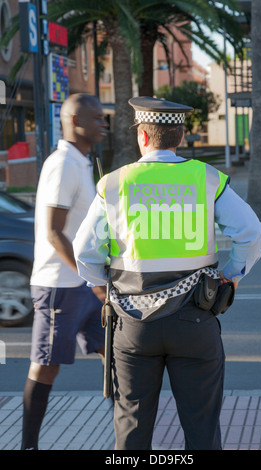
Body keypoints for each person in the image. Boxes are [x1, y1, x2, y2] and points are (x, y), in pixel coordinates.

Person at [73, 96, 261, 450]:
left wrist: (103, 286)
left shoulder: (114, 185)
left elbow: (84, 252)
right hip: (195, 320)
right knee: (202, 426)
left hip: (131, 326)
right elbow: (251, 232)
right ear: (179, 137)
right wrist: (231, 274)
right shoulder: (206, 179)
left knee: (131, 427)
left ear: (142, 136)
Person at [21, 93, 109, 450]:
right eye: (98, 118)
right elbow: (53, 232)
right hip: (60, 285)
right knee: (45, 367)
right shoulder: (63, 164)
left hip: (84, 285)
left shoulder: (82, 162)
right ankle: (28, 445)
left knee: (115, 356)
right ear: (75, 121)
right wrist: (92, 278)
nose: (104, 123)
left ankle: (132, 439)